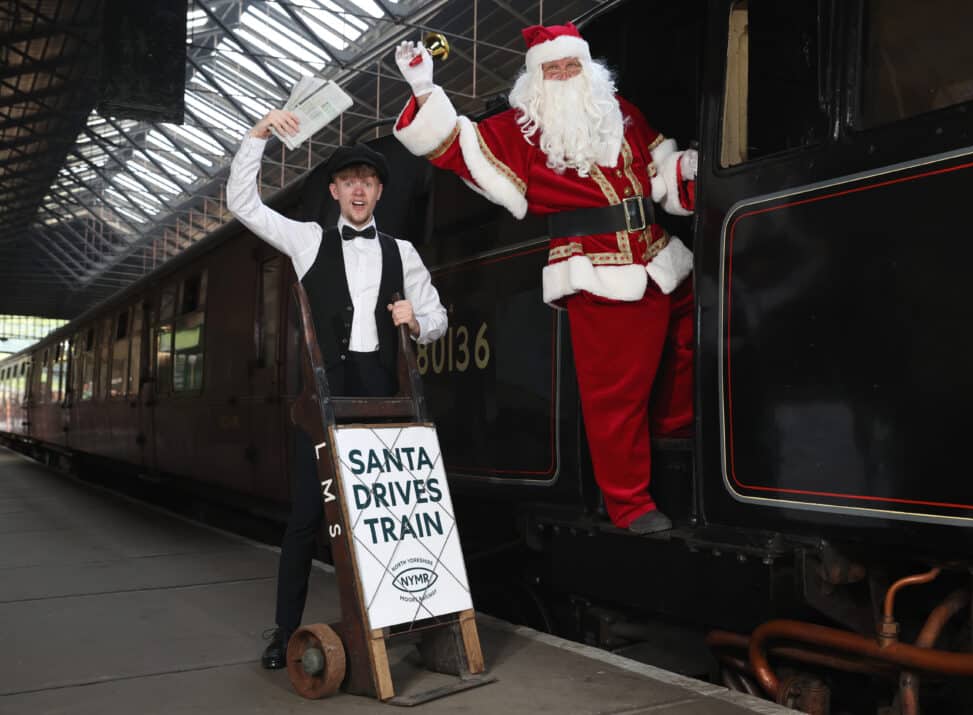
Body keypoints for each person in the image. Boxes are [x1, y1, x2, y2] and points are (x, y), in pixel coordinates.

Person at [392, 22, 697, 536]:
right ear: (536, 77)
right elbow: (455, 147)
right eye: (551, 68)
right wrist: (424, 89)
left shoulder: (620, 112)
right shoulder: (523, 127)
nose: (561, 74)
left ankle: (670, 437)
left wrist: (691, 170)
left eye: (569, 65)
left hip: (657, 255)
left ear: (587, 68)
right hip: (598, 271)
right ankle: (629, 504)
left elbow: (658, 172)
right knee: (615, 398)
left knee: (689, 343)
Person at [225, 109, 448, 669]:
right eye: (348, 180)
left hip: (384, 394)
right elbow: (243, 206)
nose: (357, 189)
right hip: (322, 396)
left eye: (367, 181)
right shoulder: (306, 240)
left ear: (378, 193)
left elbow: (438, 317)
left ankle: (405, 622)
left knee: (391, 517)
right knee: (306, 517)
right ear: (333, 189)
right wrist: (257, 137)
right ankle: (283, 631)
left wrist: (417, 321)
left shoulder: (404, 253)